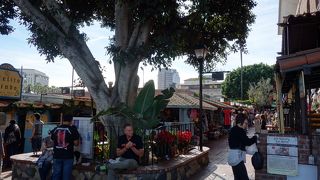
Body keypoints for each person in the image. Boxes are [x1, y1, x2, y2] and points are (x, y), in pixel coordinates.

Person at [228, 113, 257, 180]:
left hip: (232, 156)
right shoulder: (240, 131)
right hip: (237, 158)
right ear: (241, 121)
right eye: (245, 123)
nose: (246, 125)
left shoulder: (233, 129)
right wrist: (255, 137)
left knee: (237, 177)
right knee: (244, 177)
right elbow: (248, 142)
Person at [51, 115, 80, 180]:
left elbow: (52, 140)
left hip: (57, 155)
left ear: (63, 120)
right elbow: (76, 143)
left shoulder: (56, 129)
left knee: (56, 175)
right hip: (68, 156)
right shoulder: (73, 129)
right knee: (66, 177)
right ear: (71, 121)